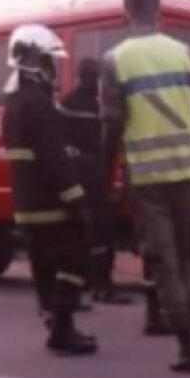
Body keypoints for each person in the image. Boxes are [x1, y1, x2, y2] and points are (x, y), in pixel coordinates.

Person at [101, 0, 190, 374]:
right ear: (159, 11)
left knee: (164, 260)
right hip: (188, 170)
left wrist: (105, 180)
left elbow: (111, 127)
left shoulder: (116, 61)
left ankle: (188, 346)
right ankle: (189, 337)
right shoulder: (187, 54)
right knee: (183, 256)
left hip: (149, 176)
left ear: (127, 12)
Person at [2, 24, 97, 356]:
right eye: (49, 60)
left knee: (43, 264)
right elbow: (54, 160)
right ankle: (63, 326)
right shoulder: (39, 103)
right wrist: (78, 200)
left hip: (27, 204)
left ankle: (54, 323)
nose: (53, 68)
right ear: (34, 61)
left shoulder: (13, 102)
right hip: (51, 203)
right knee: (74, 257)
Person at [61, 58, 132, 305]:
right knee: (99, 232)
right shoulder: (85, 105)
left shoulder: (74, 103)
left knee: (90, 233)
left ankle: (91, 284)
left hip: (85, 176)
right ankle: (101, 286)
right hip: (89, 176)